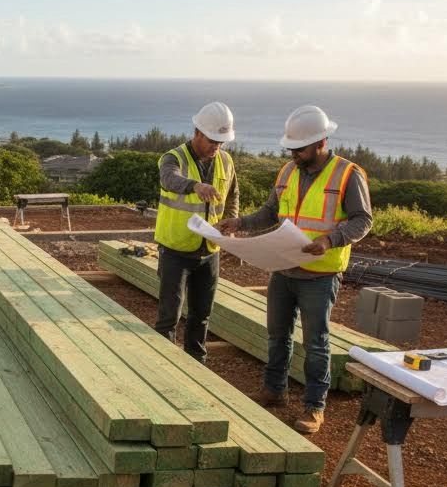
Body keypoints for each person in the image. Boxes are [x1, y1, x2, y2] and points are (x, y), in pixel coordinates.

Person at [217, 105, 372, 435]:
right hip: (284, 267)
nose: (295, 154)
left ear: (321, 142)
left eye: (300, 148)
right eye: (291, 148)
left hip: (320, 273)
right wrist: (241, 223)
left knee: (316, 342)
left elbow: (363, 220)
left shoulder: (348, 174)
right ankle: (274, 390)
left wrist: (330, 240)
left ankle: (315, 407)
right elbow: (271, 212)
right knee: (277, 334)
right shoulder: (287, 172)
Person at [154, 101, 240, 363]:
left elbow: (233, 195)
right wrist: (194, 186)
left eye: (221, 141)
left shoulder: (225, 161)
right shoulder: (174, 157)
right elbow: (169, 179)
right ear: (197, 133)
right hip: (176, 250)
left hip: (209, 251)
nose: (217, 146)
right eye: (212, 140)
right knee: (170, 314)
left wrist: (231, 226)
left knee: (202, 314)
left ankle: (196, 365)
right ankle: (164, 365)